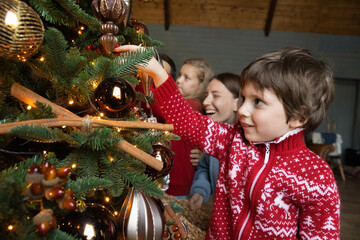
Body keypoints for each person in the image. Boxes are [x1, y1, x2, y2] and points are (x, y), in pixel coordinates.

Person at [115, 46, 340, 239]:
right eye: (244, 98)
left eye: (258, 102)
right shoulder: (233, 141)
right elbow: (186, 121)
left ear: (298, 117)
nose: (242, 110)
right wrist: (158, 74)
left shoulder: (316, 175)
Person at [189, 73, 240, 211]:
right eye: (206, 95)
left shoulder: (245, 144)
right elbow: (205, 168)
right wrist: (200, 191)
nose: (205, 102)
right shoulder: (213, 137)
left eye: (216, 95)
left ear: (237, 103)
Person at [167, 58, 214, 198]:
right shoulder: (186, 104)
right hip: (173, 180)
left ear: (201, 85)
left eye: (187, 78)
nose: (179, 80)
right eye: (180, 75)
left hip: (177, 182)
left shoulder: (192, 105)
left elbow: (158, 105)